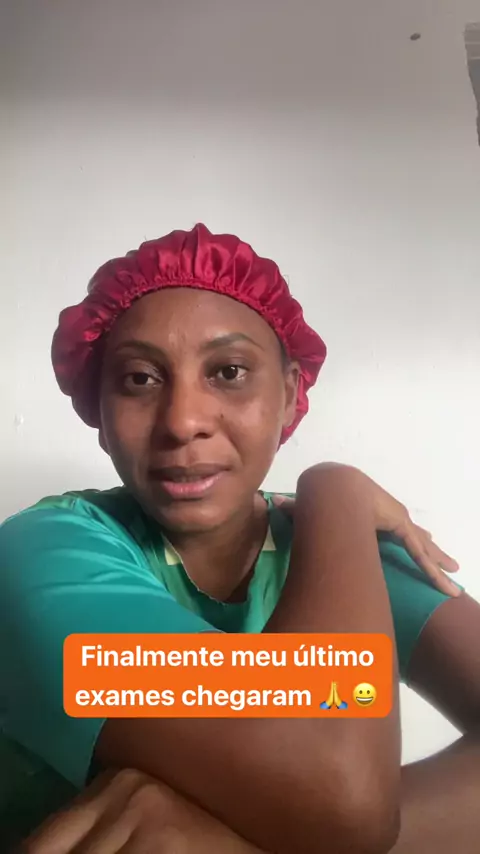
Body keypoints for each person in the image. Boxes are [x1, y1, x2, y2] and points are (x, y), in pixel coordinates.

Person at [1, 223, 479, 854]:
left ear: (290, 394)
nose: (183, 421)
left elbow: (332, 805)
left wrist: (221, 840)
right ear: (99, 410)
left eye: (228, 371)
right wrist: (337, 488)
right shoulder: (43, 561)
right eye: (140, 379)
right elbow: (334, 789)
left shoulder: (341, 552)